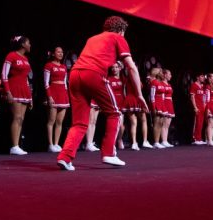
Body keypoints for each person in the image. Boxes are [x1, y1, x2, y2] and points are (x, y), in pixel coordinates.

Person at [57, 16, 147, 170]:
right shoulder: (118, 37)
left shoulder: (92, 38)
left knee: (79, 122)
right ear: (121, 30)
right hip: (93, 74)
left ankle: (65, 157)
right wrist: (139, 95)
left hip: (75, 74)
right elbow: (131, 67)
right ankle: (109, 153)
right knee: (115, 113)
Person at [2, 35, 33, 155]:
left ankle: (17, 145)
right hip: (14, 88)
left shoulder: (26, 58)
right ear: (22, 44)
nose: (30, 45)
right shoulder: (11, 55)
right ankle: (14, 146)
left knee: (21, 118)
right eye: (28, 43)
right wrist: (7, 91)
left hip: (24, 90)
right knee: (17, 117)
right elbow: (4, 75)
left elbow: (26, 78)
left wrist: (30, 96)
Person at [44, 47, 70, 152]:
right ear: (53, 54)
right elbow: (46, 83)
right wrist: (49, 96)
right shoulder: (49, 65)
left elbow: (65, 84)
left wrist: (66, 96)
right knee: (51, 121)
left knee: (60, 122)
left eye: (62, 52)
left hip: (63, 95)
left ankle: (56, 143)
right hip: (53, 94)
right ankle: (50, 144)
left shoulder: (64, 67)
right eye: (58, 52)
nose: (60, 53)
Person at [107, 62, 126, 150]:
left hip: (122, 102)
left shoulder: (123, 79)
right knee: (114, 124)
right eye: (113, 67)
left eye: (116, 67)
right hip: (113, 103)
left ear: (120, 68)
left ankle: (120, 139)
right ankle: (112, 142)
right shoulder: (109, 79)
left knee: (121, 125)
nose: (114, 69)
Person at [149, 67, 166, 148]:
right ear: (158, 74)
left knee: (161, 123)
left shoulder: (161, 83)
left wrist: (163, 105)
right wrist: (153, 107)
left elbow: (163, 95)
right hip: (156, 103)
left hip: (161, 104)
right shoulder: (154, 82)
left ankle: (158, 141)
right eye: (161, 72)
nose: (163, 74)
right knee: (156, 122)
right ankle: (156, 142)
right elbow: (152, 96)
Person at [190, 73, 206, 145]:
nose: (203, 78)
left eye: (203, 76)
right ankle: (195, 138)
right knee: (197, 123)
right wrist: (195, 107)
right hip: (197, 107)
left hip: (202, 107)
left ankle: (199, 138)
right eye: (202, 76)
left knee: (201, 123)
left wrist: (204, 105)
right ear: (197, 77)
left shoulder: (202, 86)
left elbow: (204, 97)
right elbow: (192, 97)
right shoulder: (194, 85)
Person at [161, 69, 175, 147]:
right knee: (164, 124)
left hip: (170, 103)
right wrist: (163, 107)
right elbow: (162, 97)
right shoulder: (162, 84)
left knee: (168, 124)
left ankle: (165, 140)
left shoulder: (169, 85)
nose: (170, 76)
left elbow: (171, 96)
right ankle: (163, 140)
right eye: (169, 74)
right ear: (165, 75)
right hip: (164, 103)